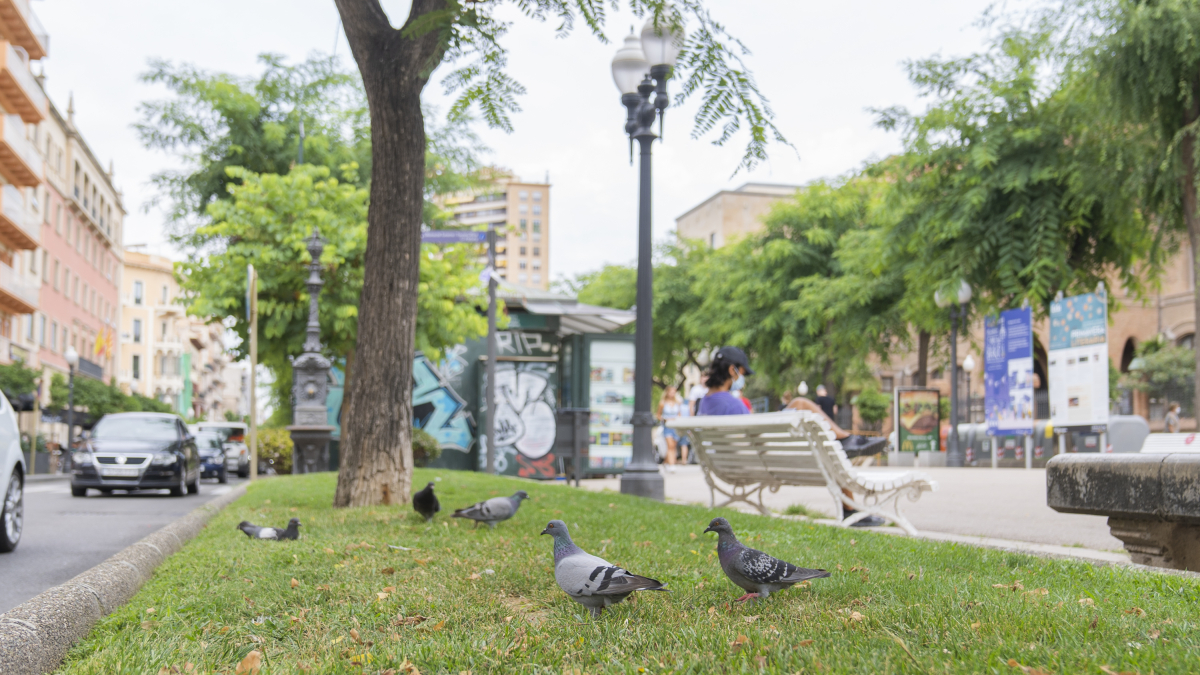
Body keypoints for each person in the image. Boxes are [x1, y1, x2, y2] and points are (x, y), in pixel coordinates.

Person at [657, 386, 687, 472]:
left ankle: (666, 462)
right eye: (671, 392)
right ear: (667, 392)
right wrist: (664, 419)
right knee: (670, 446)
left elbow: (679, 414)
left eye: (674, 392)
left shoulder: (677, 403)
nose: (672, 394)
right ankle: (671, 464)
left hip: (675, 427)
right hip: (667, 427)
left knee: (673, 446)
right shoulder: (662, 403)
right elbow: (658, 415)